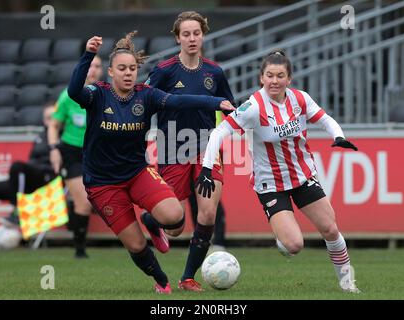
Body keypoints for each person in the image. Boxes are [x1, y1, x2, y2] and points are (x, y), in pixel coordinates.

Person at [67, 32, 234, 294]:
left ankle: (154, 225)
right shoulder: (97, 95)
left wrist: (215, 102)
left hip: (137, 173)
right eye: (122, 68)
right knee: (135, 245)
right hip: (103, 184)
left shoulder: (146, 95)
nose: (128, 73)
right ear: (110, 72)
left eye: (132, 68)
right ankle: (161, 278)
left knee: (175, 216)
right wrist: (88, 55)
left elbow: (180, 101)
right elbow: (73, 90)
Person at [196, 49, 361, 293]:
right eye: (270, 75)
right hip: (270, 184)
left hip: (303, 176)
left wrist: (338, 136)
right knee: (294, 245)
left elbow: (325, 119)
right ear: (261, 78)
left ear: (289, 79)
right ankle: (283, 236)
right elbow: (220, 132)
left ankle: (348, 284)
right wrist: (207, 167)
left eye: (280, 75)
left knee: (330, 229)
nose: (274, 81)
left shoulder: (300, 99)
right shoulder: (253, 107)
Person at [143, 11, 234, 291]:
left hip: (208, 148)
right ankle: (151, 220)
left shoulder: (214, 72)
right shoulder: (164, 71)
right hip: (173, 148)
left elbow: (229, 108)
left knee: (207, 215)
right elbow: (144, 102)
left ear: (203, 35)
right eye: (186, 34)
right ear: (177, 37)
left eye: (196, 33)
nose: (192, 38)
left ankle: (187, 277)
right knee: (175, 226)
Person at [0, 104, 56, 251]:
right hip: (26, 180)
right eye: (47, 118)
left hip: (46, 180)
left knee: (17, 166)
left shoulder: (63, 137)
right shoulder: (40, 137)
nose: (51, 121)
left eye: (54, 117)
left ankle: (16, 211)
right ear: (43, 120)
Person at [47, 54, 103, 258]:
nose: (93, 70)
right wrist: (54, 148)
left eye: (98, 66)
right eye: (90, 66)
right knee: (83, 202)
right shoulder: (68, 96)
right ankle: (80, 249)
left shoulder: (106, 94)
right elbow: (54, 125)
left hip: (97, 152)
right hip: (73, 152)